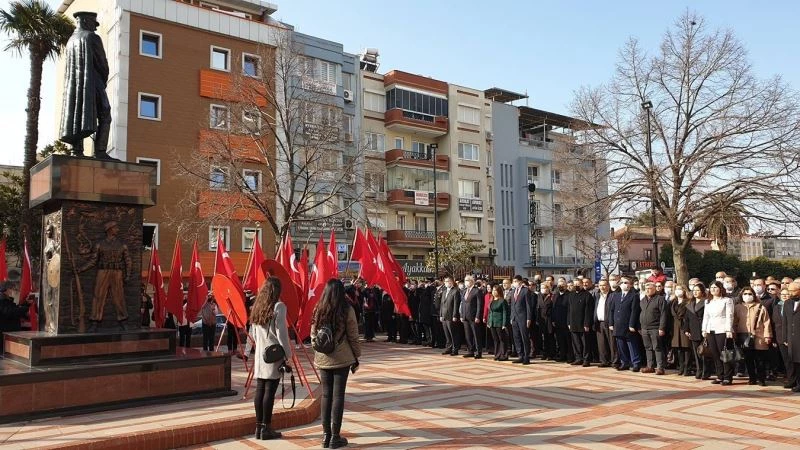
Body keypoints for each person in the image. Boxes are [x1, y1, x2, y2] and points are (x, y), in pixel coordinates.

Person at [312, 279, 361, 448]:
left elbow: (313, 334)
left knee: (326, 395)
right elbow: (353, 336)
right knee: (338, 395)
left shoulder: (319, 309)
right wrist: (357, 356)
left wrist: (318, 348)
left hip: (323, 357)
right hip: (341, 358)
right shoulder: (347, 310)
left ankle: (325, 436)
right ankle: (335, 437)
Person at [251, 277, 292, 440]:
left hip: (261, 354)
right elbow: (282, 334)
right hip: (274, 354)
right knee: (270, 390)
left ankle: (259, 427)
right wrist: (288, 355)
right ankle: (266, 428)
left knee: (260, 389)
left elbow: (253, 333)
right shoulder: (279, 306)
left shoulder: (257, 306)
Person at [733, 287, 772, 386]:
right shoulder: (737, 307)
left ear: (754, 295)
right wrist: (734, 334)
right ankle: (752, 378)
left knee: (760, 360)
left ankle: (761, 379)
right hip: (744, 337)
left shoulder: (760, 307)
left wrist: (767, 336)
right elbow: (734, 322)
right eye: (745, 294)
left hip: (759, 337)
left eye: (750, 294)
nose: (747, 296)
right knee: (748, 359)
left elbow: (767, 322)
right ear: (741, 295)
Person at [702, 281, 735, 385]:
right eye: (711, 287)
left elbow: (730, 315)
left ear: (721, 289)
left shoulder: (727, 300)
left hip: (722, 329)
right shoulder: (708, 301)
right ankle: (719, 375)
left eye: (716, 287)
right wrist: (704, 329)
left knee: (724, 353)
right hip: (710, 329)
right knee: (715, 354)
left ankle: (727, 377)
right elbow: (706, 316)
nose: (713, 289)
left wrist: (728, 329)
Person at [609, 276, 642, 372]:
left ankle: (635, 363)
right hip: (617, 325)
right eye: (622, 282)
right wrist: (611, 323)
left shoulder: (634, 296)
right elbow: (612, 310)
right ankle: (624, 362)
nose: (624, 284)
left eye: (626, 282)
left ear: (631, 285)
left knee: (631, 344)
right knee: (621, 345)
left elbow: (634, 311)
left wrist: (631, 325)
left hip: (628, 325)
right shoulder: (616, 295)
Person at [639, 282, 668, 374]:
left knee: (657, 347)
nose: (647, 290)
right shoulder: (643, 300)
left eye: (650, 288)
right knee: (648, 347)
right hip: (644, 328)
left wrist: (662, 327)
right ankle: (650, 366)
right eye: (646, 288)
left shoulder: (660, 299)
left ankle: (660, 367)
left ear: (654, 289)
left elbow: (664, 314)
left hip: (655, 327)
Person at [686, 283, 711, 379]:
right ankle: (699, 369)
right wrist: (686, 329)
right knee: (697, 353)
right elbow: (687, 318)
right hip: (693, 331)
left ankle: (706, 371)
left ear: (702, 292)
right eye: (694, 290)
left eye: (697, 290)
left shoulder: (706, 303)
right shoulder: (690, 304)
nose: (695, 292)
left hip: (703, 330)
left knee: (704, 352)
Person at [510, 275, 534, 365]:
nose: (514, 283)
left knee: (524, 337)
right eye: (513, 281)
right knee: (516, 337)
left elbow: (528, 305)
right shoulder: (513, 291)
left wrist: (528, 318)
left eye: (516, 281)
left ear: (520, 281)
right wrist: (511, 317)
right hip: (515, 318)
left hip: (523, 317)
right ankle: (520, 355)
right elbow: (512, 305)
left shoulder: (525, 290)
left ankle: (526, 357)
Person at [567, 279, 592, 367]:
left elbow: (588, 311)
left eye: (578, 284)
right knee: (576, 342)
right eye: (575, 284)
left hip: (583, 323)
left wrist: (587, 323)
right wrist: (568, 322)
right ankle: (578, 358)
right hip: (573, 322)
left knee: (585, 343)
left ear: (582, 285)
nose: (576, 286)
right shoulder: (571, 295)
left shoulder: (587, 295)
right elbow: (569, 310)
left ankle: (586, 359)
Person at [670, 285, 693, 376]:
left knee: (686, 348)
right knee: (678, 348)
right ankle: (681, 367)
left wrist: (687, 328)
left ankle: (688, 368)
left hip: (684, 326)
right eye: (676, 289)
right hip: (675, 327)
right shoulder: (673, 302)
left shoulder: (688, 302)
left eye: (680, 289)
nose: (678, 291)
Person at [461, 275, 485, 359]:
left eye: (467, 280)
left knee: (476, 334)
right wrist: (461, 315)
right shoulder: (464, 291)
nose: (466, 282)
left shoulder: (476, 291)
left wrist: (478, 316)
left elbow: (479, 305)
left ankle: (478, 351)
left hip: (474, 316)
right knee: (468, 335)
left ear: (472, 281)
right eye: (465, 280)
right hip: (465, 316)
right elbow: (462, 304)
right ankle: (470, 350)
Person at [595, 279, 617, 368]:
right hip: (599, 323)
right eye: (600, 285)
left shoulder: (612, 295)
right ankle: (604, 361)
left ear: (608, 286)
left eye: (604, 285)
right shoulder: (597, 296)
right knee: (602, 343)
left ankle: (614, 361)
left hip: (609, 323)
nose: (602, 287)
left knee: (612, 343)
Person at [783, 282, 800, 393]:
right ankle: (796, 382)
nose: (790, 293)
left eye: (793, 291)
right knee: (794, 361)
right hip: (791, 338)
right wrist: (785, 337)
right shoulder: (787, 303)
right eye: (789, 291)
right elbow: (785, 321)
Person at [439, 277, 462, 356]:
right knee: (447, 333)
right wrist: (441, 314)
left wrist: (455, 315)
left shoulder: (455, 291)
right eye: (445, 281)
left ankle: (455, 349)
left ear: (451, 282)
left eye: (448, 281)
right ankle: (448, 347)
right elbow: (442, 304)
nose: (446, 283)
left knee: (453, 333)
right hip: (444, 315)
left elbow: (456, 304)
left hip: (451, 315)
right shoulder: (444, 291)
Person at [488, 285, 510, 361]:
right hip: (492, 322)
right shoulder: (491, 300)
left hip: (500, 322)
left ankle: (504, 355)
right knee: (495, 339)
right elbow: (490, 312)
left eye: (495, 290)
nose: (493, 292)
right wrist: (489, 321)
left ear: (499, 291)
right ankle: (497, 354)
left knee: (502, 339)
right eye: (493, 290)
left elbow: (505, 312)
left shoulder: (502, 301)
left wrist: (504, 324)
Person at [537, 283, 556, 360]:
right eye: (542, 288)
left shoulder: (552, 296)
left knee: (550, 336)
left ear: (548, 288)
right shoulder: (539, 296)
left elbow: (554, 308)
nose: (543, 289)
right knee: (544, 337)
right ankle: (545, 353)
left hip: (549, 319)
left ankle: (551, 354)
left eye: (545, 288)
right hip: (542, 319)